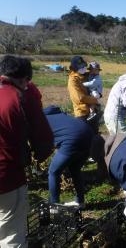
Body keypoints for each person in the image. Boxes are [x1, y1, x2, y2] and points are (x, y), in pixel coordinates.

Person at [0, 55, 53, 247]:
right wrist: (38, 155)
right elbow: (43, 142)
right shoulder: (21, 96)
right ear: (24, 79)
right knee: (10, 234)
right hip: (7, 176)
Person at [44, 105, 94, 208]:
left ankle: (54, 205)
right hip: (88, 133)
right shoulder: (60, 114)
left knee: (53, 172)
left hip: (72, 139)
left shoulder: (41, 120)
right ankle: (80, 202)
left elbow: (42, 143)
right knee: (75, 170)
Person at [67, 56, 100, 132]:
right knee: (85, 136)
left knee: (94, 134)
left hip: (92, 111)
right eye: (81, 67)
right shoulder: (73, 80)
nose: (84, 68)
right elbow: (80, 98)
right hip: (82, 113)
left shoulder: (83, 76)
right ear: (75, 68)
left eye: (84, 66)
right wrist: (95, 100)